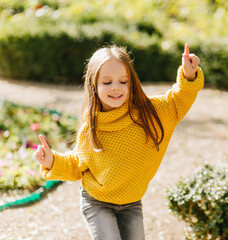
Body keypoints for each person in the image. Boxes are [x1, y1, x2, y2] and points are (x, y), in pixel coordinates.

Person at [33, 43, 204, 240]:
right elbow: (77, 165)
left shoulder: (151, 113)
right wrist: (52, 162)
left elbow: (179, 99)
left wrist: (188, 75)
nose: (116, 87)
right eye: (107, 82)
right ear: (94, 85)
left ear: (132, 82)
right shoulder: (91, 128)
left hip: (131, 203)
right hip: (97, 202)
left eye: (123, 81)